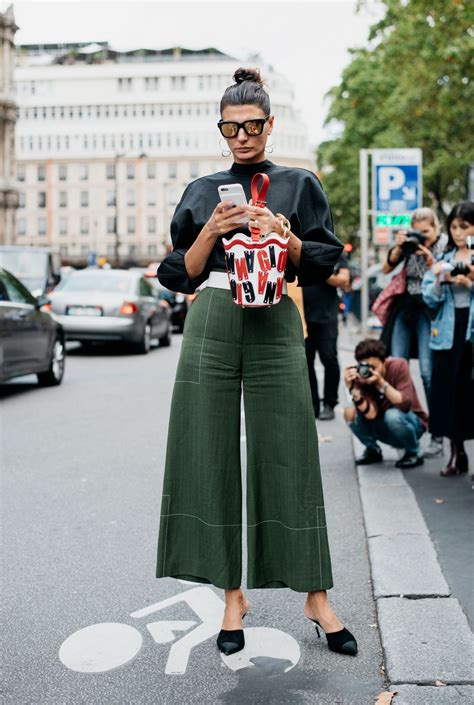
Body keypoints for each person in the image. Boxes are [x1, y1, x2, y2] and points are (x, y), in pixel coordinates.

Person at [155, 68, 357, 659]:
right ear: (220, 129)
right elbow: (177, 272)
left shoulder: (298, 183)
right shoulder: (202, 190)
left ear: (270, 124)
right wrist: (212, 230)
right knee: (206, 449)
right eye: (230, 127)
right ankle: (231, 597)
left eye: (251, 126)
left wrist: (283, 236)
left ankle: (316, 598)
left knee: (290, 449)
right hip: (213, 313)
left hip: (273, 316)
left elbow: (325, 259)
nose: (241, 136)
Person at [382, 207, 447, 457]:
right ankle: (406, 428)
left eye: (425, 232)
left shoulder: (442, 244)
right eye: (416, 232)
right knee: (398, 366)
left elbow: (442, 275)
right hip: (405, 308)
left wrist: (428, 255)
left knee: (428, 373)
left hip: (428, 311)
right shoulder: (409, 243)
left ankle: (437, 434)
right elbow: (387, 269)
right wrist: (400, 246)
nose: (421, 236)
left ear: (436, 228)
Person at [422, 201, 474, 476]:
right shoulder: (445, 257)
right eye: (454, 226)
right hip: (448, 331)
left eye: (464, 226)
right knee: (450, 391)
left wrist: (469, 282)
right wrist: (441, 280)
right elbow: (428, 296)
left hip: (471, 328)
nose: (457, 232)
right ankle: (457, 454)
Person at [343, 339, 428, 468]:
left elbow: (404, 403)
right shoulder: (361, 376)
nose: (369, 371)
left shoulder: (399, 365)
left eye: (374, 367)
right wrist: (352, 388)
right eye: (365, 366)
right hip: (384, 428)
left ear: (385, 361)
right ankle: (373, 450)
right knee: (349, 411)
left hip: (411, 426)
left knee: (392, 415)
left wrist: (380, 383)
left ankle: (414, 452)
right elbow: (371, 414)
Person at [303, 251, 350, 420]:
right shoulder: (297, 246)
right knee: (305, 362)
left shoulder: (334, 250)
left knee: (329, 358)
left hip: (326, 317)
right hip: (302, 315)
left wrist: (320, 269)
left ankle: (330, 403)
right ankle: (313, 405)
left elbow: (344, 280)